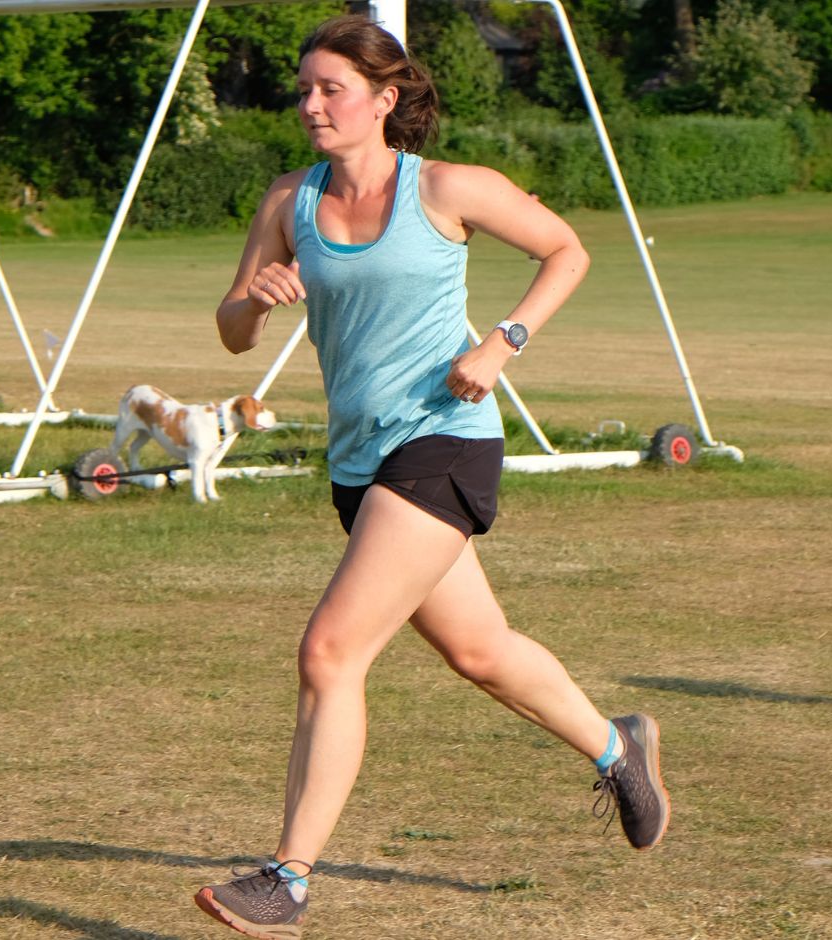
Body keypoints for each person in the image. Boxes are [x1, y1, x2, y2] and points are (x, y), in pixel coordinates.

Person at [194, 15, 669, 939]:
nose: (312, 104)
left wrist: (503, 343)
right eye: (303, 89)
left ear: (385, 97)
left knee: (330, 652)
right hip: (359, 464)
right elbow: (230, 327)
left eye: (331, 88)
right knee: (480, 651)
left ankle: (287, 879)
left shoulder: (448, 188)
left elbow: (565, 250)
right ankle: (620, 750)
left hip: (447, 439)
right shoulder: (288, 202)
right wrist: (252, 298)